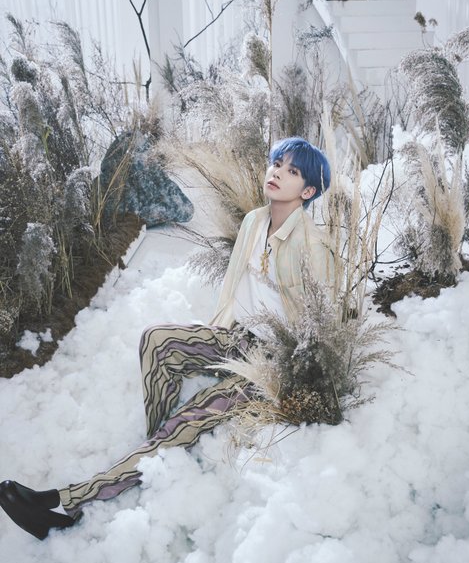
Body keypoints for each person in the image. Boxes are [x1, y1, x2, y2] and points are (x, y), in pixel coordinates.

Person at [0, 136, 332, 540]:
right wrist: (214, 337)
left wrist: (290, 383)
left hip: (269, 365)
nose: (277, 172)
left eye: (292, 171)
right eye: (277, 163)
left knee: (188, 417)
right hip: (237, 339)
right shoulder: (254, 221)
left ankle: (66, 503)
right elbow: (234, 289)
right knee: (156, 341)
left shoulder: (313, 246)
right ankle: (153, 456)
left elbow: (318, 324)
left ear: (308, 191)